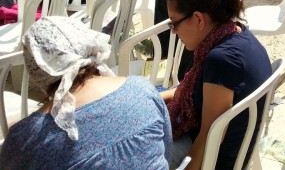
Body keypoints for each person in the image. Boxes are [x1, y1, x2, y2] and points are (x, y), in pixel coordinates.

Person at [0, 16, 172, 169]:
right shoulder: (142, 88)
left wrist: (23, 133)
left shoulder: (25, 139)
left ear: (36, 68)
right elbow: (166, 152)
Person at [161, 0, 271, 169]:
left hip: (216, 159)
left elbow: (209, 137)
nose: (174, 31)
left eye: (174, 23)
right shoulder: (236, 32)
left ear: (198, 19)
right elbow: (196, 90)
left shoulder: (221, 61)